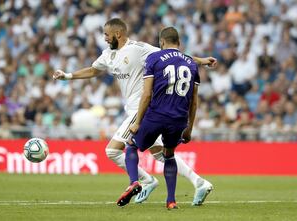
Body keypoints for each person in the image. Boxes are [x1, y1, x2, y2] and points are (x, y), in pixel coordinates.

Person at [53, 18, 216, 204]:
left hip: (142, 109)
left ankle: (145, 181)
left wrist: (201, 61)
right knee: (160, 153)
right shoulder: (108, 55)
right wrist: (68, 76)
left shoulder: (139, 49)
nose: (104, 38)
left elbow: (173, 55)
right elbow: (93, 70)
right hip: (132, 108)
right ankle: (199, 182)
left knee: (112, 151)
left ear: (118, 34)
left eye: (107, 34)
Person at [116, 27, 213, 209]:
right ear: (179, 42)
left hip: (157, 115)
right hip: (179, 119)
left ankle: (135, 182)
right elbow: (194, 101)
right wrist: (189, 128)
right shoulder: (191, 63)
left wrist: (137, 122)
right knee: (169, 155)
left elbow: (146, 95)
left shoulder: (154, 58)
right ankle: (171, 201)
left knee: (131, 145)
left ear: (161, 42)